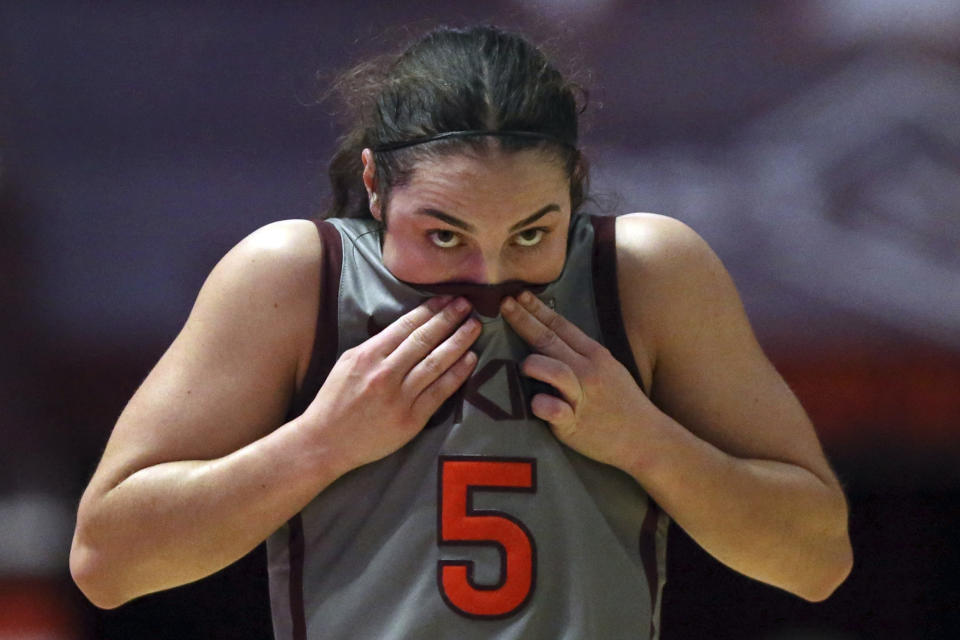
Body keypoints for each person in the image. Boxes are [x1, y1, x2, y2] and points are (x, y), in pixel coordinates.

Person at [70, 25, 852, 639]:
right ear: (375, 184)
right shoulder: (292, 275)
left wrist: (645, 440)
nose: (487, 275)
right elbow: (108, 563)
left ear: (576, 185)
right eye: (444, 237)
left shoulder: (648, 271)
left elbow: (816, 560)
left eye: (531, 235)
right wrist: (319, 445)